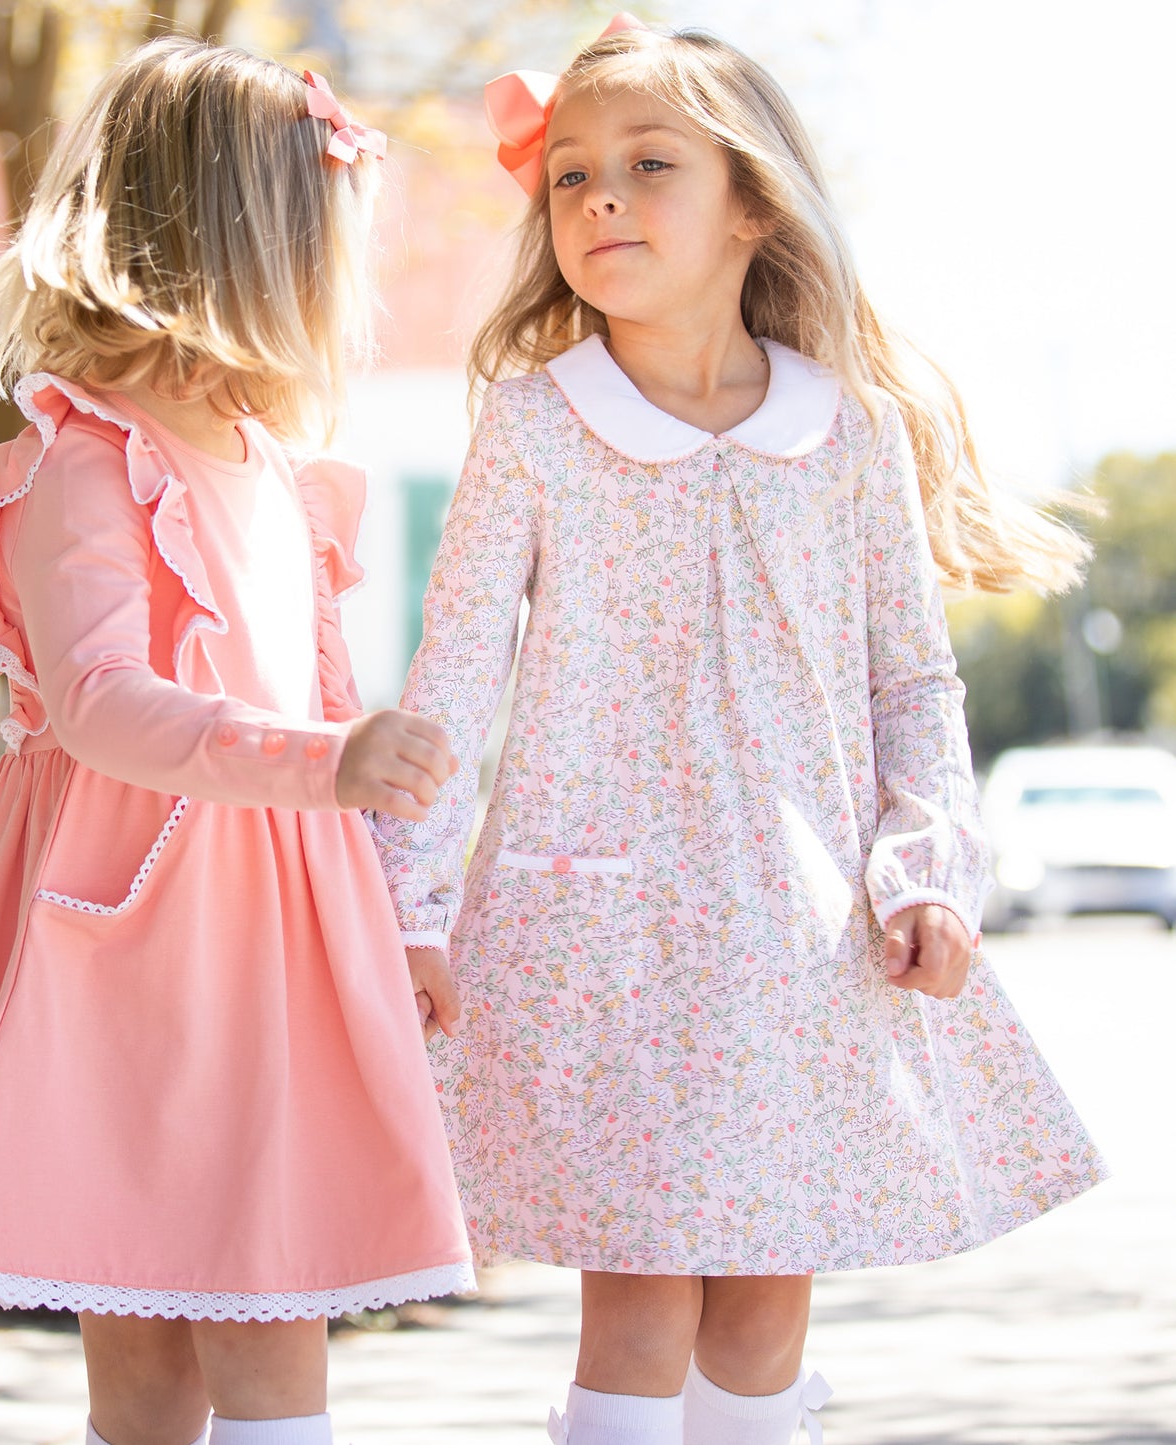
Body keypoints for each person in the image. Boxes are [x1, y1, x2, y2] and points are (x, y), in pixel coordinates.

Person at [374, 15, 1105, 1445]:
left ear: (752, 206)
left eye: (649, 165)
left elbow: (914, 684)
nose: (599, 199)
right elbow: (451, 680)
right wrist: (411, 900)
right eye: (570, 174)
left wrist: (930, 867)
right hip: (601, 933)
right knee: (637, 1294)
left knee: (767, 1299)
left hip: (798, 938)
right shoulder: (531, 428)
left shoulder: (849, 436)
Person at [0, 38, 473, 1445]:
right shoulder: (86, 461)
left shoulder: (276, 474)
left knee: (276, 1307)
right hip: (137, 936)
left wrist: (405, 914)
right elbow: (100, 701)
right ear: (243, 250)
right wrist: (318, 764)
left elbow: (329, 700)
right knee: (143, 1342)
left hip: (275, 930)